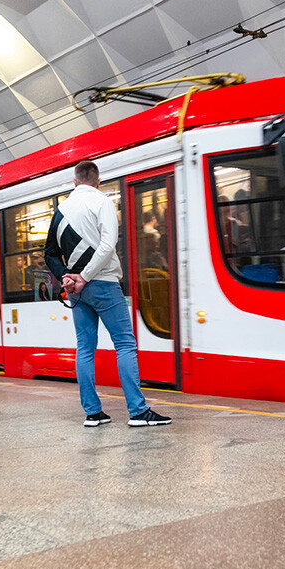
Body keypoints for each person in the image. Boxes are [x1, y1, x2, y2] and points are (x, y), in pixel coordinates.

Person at [45, 159, 172, 428]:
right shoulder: (102, 202)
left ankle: (93, 413)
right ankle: (138, 412)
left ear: (75, 182)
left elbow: (50, 254)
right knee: (125, 345)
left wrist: (67, 277)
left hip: (76, 291)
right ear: (98, 181)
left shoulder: (61, 210)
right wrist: (85, 276)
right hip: (102, 283)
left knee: (85, 349)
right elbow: (107, 244)